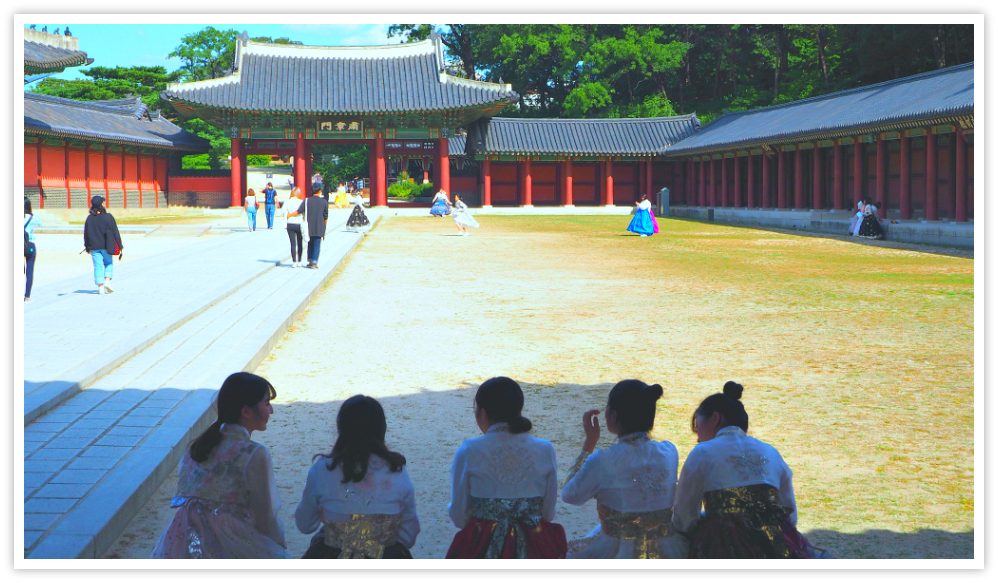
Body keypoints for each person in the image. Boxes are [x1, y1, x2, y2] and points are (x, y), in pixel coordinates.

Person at [672, 382, 823, 559]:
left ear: (714, 418)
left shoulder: (702, 453)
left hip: (722, 547)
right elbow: (789, 514)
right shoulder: (770, 451)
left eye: (698, 425)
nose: (697, 436)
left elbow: (684, 519)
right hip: (775, 545)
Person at [150, 372, 291, 559]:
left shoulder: (197, 446)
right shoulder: (253, 453)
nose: (271, 410)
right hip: (230, 539)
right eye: (266, 404)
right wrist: (277, 542)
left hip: (181, 540)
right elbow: (265, 516)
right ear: (246, 411)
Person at [562, 379, 688, 559]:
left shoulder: (604, 460)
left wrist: (588, 445)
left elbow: (570, 495)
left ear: (613, 416)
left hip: (615, 550)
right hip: (667, 549)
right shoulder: (669, 451)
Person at [446, 376, 567, 559]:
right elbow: (548, 513)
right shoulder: (544, 449)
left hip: (482, 545)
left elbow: (459, 516)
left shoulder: (470, 450)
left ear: (483, 413)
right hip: (536, 546)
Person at [295, 395, 420, 559]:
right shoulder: (397, 471)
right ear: (382, 428)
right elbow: (409, 535)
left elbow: (305, 525)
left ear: (341, 428)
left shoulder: (322, 470)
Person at [83, 196, 123, 296]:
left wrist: (87, 246)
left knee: (98, 266)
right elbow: (115, 232)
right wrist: (120, 245)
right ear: (101, 205)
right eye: (103, 203)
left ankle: (100, 287)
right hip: (107, 245)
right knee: (108, 263)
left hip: (94, 247)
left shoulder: (89, 218)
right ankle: (107, 281)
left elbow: (86, 234)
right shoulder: (108, 217)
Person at [289, 183, 329, 269]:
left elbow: (299, 211)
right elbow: (326, 216)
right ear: (319, 191)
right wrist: (325, 225)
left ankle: (310, 261)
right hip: (319, 226)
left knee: (310, 243)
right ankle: (314, 262)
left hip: (309, 225)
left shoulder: (307, 201)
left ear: (311, 191)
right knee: (317, 244)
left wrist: (290, 215)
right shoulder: (324, 202)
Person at [282, 187, 304, 268]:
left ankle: (294, 261)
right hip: (299, 223)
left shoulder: (287, 202)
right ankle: (300, 261)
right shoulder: (301, 202)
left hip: (290, 223)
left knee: (293, 243)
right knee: (299, 242)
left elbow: (283, 212)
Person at [24, 197, 40, 302]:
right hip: (30, 245)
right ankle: (27, 296)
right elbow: (40, 223)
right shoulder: (33, 217)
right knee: (29, 271)